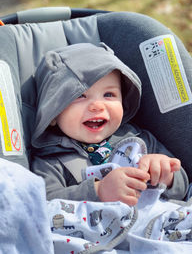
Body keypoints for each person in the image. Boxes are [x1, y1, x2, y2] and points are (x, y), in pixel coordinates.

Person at [31, 42, 188, 206]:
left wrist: (167, 175)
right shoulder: (50, 160)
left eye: (109, 94)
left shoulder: (140, 140)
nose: (97, 106)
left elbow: (182, 188)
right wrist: (98, 191)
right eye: (80, 96)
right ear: (53, 113)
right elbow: (44, 205)